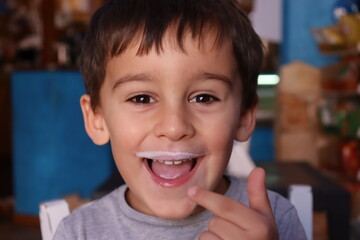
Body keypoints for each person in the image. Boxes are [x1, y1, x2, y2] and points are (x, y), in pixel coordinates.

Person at [54, 0, 307, 239]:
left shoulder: (274, 221)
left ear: (244, 116)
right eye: (141, 99)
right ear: (97, 119)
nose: (174, 127)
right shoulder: (78, 233)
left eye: (204, 98)